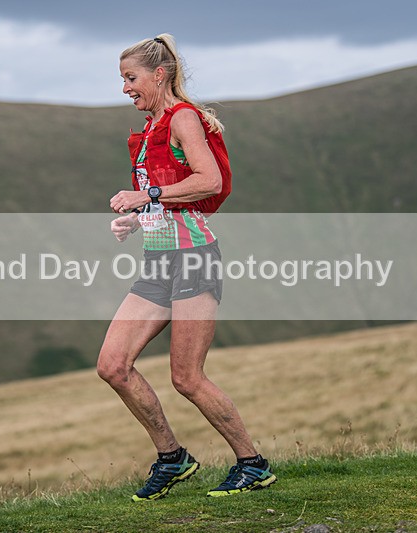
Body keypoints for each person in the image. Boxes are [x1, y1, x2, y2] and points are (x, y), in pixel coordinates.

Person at [98, 33, 276, 501]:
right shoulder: (149, 131)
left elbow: (208, 181)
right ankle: (172, 458)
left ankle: (252, 464)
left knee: (187, 377)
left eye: (130, 78)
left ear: (160, 74)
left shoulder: (183, 119)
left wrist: (147, 196)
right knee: (113, 365)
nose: (124, 89)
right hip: (158, 261)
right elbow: (169, 196)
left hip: (194, 259)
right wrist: (135, 220)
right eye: (122, 80)